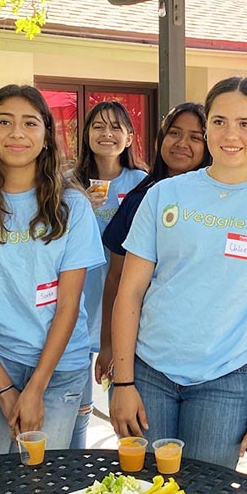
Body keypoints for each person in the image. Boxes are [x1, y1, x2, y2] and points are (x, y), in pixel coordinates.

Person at [110, 77, 247, 469]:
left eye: (245, 124)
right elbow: (130, 292)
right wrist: (122, 382)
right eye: (220, 121)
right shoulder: (165, 194)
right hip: (149, 374)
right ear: (207, 126)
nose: (231, 134)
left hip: (225, 381)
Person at [0, 84, 105, 456]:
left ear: (45, 135)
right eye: (4, 122)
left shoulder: (72, 207)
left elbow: (69, 304)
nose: (17, 133)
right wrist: (4, 388)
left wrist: (36, 388)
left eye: (30, 123)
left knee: (42, 489)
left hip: (59, 369)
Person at [97, 102, 211, 383]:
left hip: (207, 353)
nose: (182, 143)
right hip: (141, 345)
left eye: (195, 137)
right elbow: (115, 278)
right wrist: (108, 344)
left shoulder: (219, 205)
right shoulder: (140, 198)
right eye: (174, 133)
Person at [69, 101, 147, 448]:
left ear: (129, 137)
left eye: (116, 127)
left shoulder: (142, 183)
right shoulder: (67, 183)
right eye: (98, 126)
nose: (107, 134)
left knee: (122, 389)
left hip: (119, 298)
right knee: (76, 398)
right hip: (76, 299)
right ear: (86, 136)